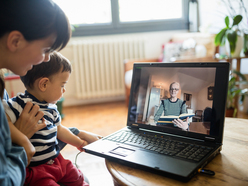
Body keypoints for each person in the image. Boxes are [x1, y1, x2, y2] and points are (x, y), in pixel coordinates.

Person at [0, 1, 96, 185]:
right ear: (15, 41)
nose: (46, 58)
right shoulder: (13, 104)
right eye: (45, 50)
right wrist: (22, 142)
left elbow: (51, 128)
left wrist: (78, 134)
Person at [3, 52, 91, 185]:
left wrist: (79, 142)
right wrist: (22, 139)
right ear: (44, 84)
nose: (64, 90)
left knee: (78, 178)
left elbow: (59, 129)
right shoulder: (18, 104)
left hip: (57, 160)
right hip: (37, 170)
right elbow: (4, 119)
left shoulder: (51, 107)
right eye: (62, 85)